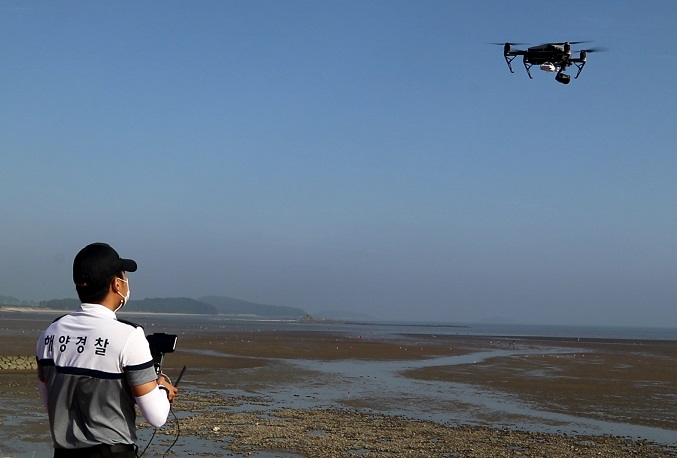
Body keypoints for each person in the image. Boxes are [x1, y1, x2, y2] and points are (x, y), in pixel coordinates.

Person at [36, 242, 179, 457]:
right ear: (117, 285)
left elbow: (51, 405)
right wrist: (162, 389)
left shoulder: (48, 334)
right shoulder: (129, 335)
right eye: (124, 276)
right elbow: (156, 417)